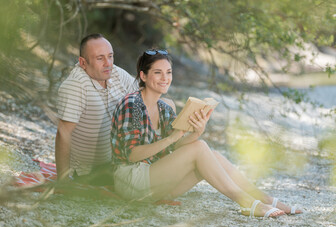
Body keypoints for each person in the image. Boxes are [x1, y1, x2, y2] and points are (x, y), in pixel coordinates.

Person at [111, 49, 302, 217]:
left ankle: (264, 198)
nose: (165, 78)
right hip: (131, 181)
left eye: (168, 72)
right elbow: (133, 154)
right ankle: (247, 203)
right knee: (200, 148)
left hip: (155, 181)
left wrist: (196, 132)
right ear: (143, 76)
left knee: (214, 155)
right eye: (158, 73)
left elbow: (175, 147)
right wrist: (173, 137)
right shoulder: (133, 104)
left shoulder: (165, 106)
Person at [55, 33, 138, 184]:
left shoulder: (114, 73)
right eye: (100, 58)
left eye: (110, 56)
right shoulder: (76, 86)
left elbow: (145, 96)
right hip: (93, 171)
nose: (108, 63)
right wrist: (63, 179)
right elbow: (63, 132)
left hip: (120, 159)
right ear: (83, 63)